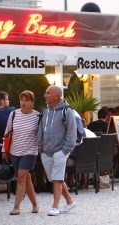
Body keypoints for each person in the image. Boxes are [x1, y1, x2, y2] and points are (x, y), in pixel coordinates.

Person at [38, 85, 77, 216]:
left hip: (61, 151)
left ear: (56, 96)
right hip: (46, 151)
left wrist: (65, 150)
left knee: (57, 179)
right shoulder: (45, 111)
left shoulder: (67, 111)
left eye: (47, 93)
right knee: (55, 178)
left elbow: (72, 133)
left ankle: (55, 207)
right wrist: (40, 148)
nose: (45, 95)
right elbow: (40, 130)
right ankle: (70, 201)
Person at [3, 90, 39, 215]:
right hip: (15, 151)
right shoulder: (13, 114)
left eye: (26, 100)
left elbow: (41, 135)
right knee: (26, 178)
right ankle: (35, 204)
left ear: (32, 103)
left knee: (21, 177)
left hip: (30, 151)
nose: (23, 103)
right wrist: (4, 150)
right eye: (21, 100)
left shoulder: (37, 116)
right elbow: (7, 132)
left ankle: (16, 207)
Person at [0, 91, 14, 157]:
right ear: (2, 101)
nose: (9, 101)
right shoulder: (12, 110)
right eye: (7, 99)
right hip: (13, 144)